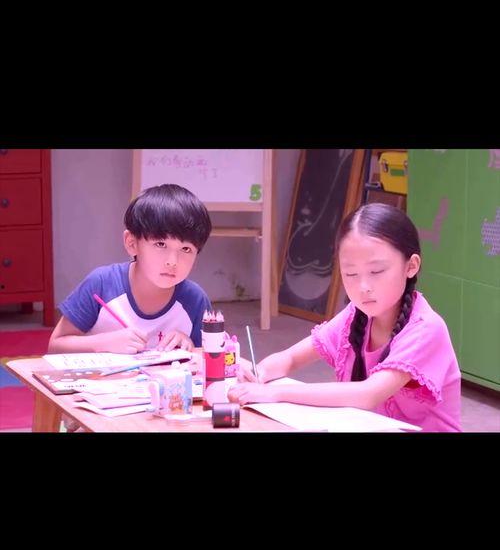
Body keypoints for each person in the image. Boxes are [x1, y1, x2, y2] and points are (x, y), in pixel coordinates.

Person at [228, 203, 462, 432]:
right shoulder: (355, 315)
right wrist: (260, 373)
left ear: (411, 266)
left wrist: (275, 393)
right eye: (350, 273)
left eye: (376, 271)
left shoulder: (426, 329)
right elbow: (290, 358)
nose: (363, 287)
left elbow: (368, 394)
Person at [48, 183, 213, 355]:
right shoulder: (101, 284)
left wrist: (190, 345)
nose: (172, 262)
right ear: (132, 243)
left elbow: (211, 356)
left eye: (186, 249)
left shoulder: (195, 300)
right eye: (160, 244)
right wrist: (103, 343)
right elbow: (55, 347)